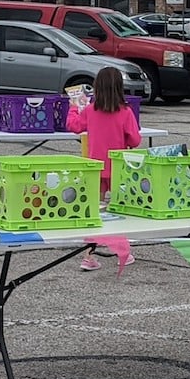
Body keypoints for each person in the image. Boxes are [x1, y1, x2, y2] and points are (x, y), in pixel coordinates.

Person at [65, 66, 141, 271]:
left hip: (96, 168)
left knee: (94, 213)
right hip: (117, 169)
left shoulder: (90, 110)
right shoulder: (125, 112)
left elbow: (73, 126)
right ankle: (123, 253)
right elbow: (135, 140)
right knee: (118, 212)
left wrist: (74, 106)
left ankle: (88, 256)